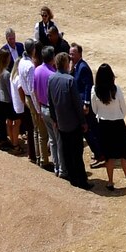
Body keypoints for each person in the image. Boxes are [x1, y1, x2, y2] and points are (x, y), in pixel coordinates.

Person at [90, 64, 126, 190]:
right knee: (124, 154)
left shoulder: (94, 90)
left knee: (108, 155)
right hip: (118, 124)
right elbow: (124, 109)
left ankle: (110, 182)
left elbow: (94, 109)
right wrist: (118, 115)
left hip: (104, 125)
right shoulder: (116, 90)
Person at [47, 53, 89, 189]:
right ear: (65, 64)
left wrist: (54, 119)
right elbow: (77, 105)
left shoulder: (51, 79)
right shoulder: (70, 80)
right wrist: (83, 122)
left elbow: (50, 102)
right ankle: (81, 181)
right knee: (77, 153)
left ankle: (72, 178)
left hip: (60, 123)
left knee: (66, 151)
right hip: (73, 123)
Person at [27, 47, 55, 171]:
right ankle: (57, 164)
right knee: (55, 139)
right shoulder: (53, 74)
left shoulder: (37, 70)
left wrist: (38, 107)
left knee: (42, 136)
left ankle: (43, 159)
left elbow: (34, 91)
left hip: (41, 107)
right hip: (51, 110)